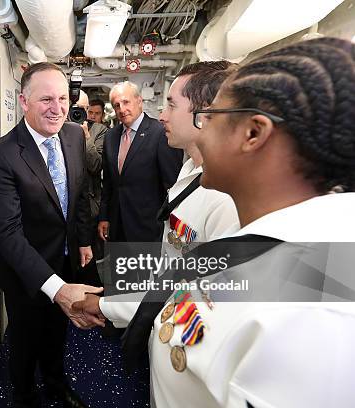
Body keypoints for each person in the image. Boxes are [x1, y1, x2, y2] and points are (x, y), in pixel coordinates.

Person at [149, 37, 355, 407]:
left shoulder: (312, 310)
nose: (202, 129)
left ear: (253, 134)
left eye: (210, 117)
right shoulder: (263, 241)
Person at [73, 61, 239, 332]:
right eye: (116, 105)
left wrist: (102, 306)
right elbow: (111, 182)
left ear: (205, 113)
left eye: (172, 105)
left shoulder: (225, 198)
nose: (162, 116)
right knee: (125, 277)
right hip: (124, 228)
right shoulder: (190, 170)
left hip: (149, 232)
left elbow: (200, 298)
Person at [0, 62, 103, 408]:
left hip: (66, 260)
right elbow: (8, 233)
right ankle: (24, 395)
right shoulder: (3, 154)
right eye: (46, 99)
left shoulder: (72, 135)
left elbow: (79, 193)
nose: (57, 108)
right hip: (26, 273)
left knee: (56, 334)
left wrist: (82, 239)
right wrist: (55, 288)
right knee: (24, 340)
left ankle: (55, 384)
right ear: (23, 101)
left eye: (63, 98)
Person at [98, 81, 182, 244]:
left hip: (149, 228)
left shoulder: (160, 134)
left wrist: (169, 225)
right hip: (117, 226)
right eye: (116, 105)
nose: (121, 109)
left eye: (126, 102)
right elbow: (108, 183)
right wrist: (104, 217)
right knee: (118, 269)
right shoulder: (111, 137)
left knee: (146, 270)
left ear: (139, 101)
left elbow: (172, 184)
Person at [74, 90, 108, 284]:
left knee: (90, 258)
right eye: (76, 109)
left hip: (89, 203)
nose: (81, 113)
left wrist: (86, 136)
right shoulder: (56, 126)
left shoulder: (98, 131)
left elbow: (95, 166)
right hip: (68, 206)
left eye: (84, 110)